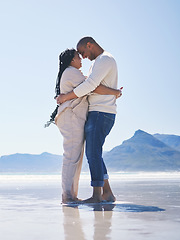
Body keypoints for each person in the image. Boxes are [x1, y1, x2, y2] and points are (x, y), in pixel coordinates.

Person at [53, 48, 121, 203]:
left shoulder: (72, 72)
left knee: (77, 156)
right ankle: (68, 196)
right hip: (71, 117)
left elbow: (89, 87)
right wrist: (115, 92)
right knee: (72, 157)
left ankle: (71, 195)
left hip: (73, 117)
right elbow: (92, 87)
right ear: (72, 60)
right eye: (78, 56)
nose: (81, 59)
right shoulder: (71, 72)